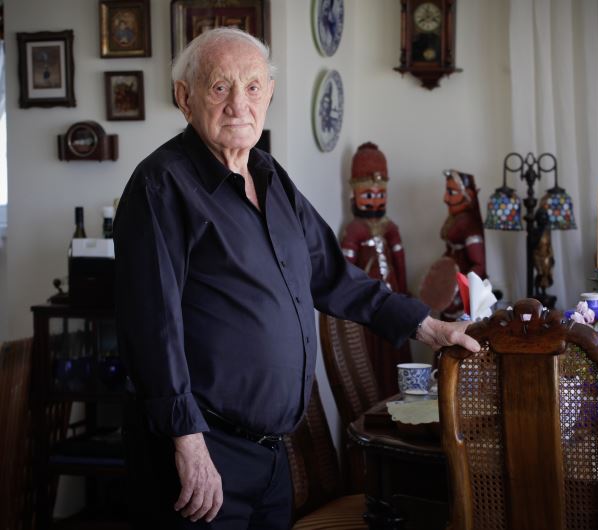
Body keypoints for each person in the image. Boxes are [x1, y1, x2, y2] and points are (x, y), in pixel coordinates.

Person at [113, 27, 479, 530]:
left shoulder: (270, 177)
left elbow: (333, 275)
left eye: (253, 87)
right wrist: (188, 443)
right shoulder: (160, 185)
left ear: (269, 95)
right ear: (184, 97)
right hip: (202, 451)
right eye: (219, 87)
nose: (239, 104)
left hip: (271, 455)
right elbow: (151, 328)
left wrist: (430, 327)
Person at [340, 142, 411, 396]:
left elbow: (400, 261)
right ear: (354, 195)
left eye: (380, 195)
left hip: (393, 296)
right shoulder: (354, 230)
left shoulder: (389, 227)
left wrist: (404, 292)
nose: (375, 202)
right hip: (366, 302)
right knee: (371, 352)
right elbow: (346, 270)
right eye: (368, 196)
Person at [438, 169, 486, 320]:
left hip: (461, 288)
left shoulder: (468, 224)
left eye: (451, 192)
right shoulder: (455, 219)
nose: (445, 198)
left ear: (468, 194)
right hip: (449, 280)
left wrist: (460, 289)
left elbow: (479, 265)